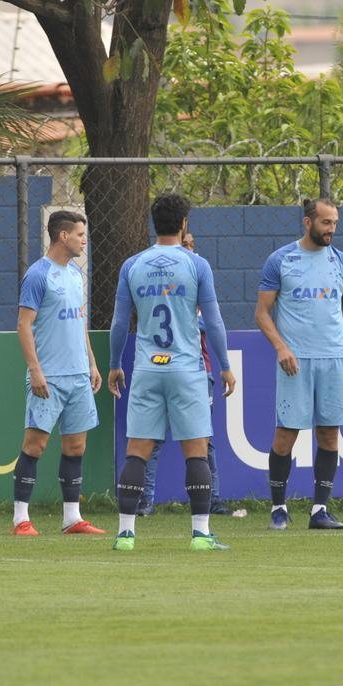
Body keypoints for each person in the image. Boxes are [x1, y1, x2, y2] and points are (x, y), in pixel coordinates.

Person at [107, 194, 236, 551]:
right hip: (186, 368)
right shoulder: (196, 265)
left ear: (154, 223)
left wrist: (116, 364)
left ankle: (125, 535)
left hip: (148, 367)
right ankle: (200, 534)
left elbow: (119, 323)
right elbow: (212, 321)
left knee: (137, 451)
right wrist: (224, 366)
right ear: (184, 224)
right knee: (196, 451)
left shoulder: (133, 265)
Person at [256, 198, 343, 531]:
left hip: (333, 358)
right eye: (325, 223)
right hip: (296, 361)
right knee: (285, 436)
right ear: (308, 222)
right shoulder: (281, 260)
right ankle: (279, 508)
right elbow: (262, 313)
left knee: (329, 435)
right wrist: (281, 347)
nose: (331, 229)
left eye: (334, 223)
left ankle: (319, 509)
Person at [11, 210, 105, 537]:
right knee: (35, 445)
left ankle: (71, 518)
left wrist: (91, 363)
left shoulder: (75, 276)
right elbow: (23, 325)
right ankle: (21, 519)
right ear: (63, 236)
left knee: (76, 446)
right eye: (80, 234)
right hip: (49, 376)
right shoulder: (38, 275)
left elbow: (80, 323)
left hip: (78, 375)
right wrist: (35, 370)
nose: (84, 240)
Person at [138, 230, 228, 516]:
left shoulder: (198, 279)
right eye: (184, 244)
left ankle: (211, 500)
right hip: (162, 366)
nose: (188, 250)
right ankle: (145, 502)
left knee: (204, 441)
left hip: (199, 369)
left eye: (191, 245)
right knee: (150, 439)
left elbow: (208, 322)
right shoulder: (163, 283)